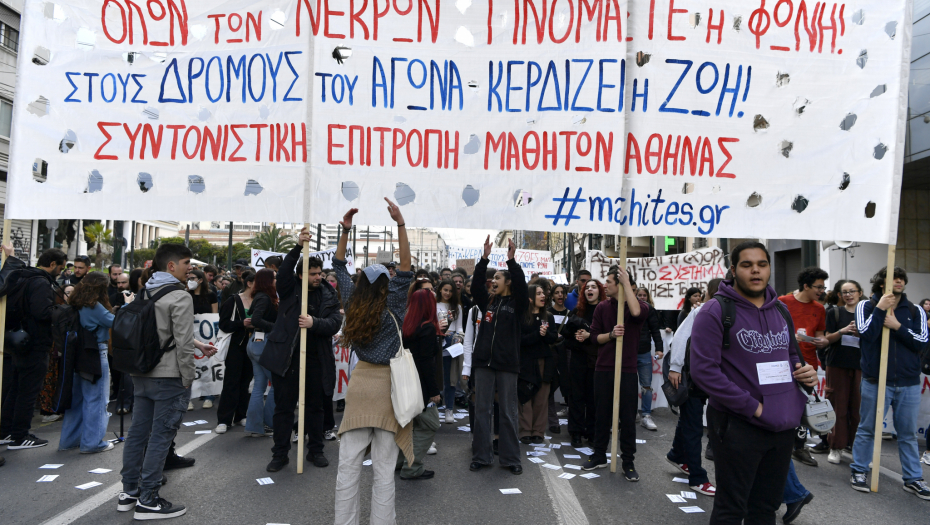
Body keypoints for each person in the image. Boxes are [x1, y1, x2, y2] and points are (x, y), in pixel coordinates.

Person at [690, 241, 818, 523]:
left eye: (762, 264)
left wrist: (804, 372)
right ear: (734, 270)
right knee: (732, 508)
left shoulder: (781, 311)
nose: (755, 271)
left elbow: (791, 356)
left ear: (769, 268)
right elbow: (704, 372)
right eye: (747, 265)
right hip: (738, 425)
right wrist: (754, 408)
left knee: (765, 508)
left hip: (782, 426)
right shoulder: (714, 311)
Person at [118, 243, 217, 520]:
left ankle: (129, 492)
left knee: (138, 434)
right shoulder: (179, 295)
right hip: (169, 375)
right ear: (171, 266)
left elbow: (163, 331)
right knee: (161, 437)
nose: (191, 269)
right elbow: (182, 341)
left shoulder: (147, 289)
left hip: (142, 372)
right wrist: (188, 379)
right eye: (186, 263)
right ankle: (149, 498)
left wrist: (197, 344)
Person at [332, 199, 413, 525]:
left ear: (361, 281)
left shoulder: (352, 301)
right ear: (386, 284)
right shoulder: (393, 300)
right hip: (389, 389)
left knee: (348, 465)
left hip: (361, 385)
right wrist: (400, 224)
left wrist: (345, 230)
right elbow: (406, 267)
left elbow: (339, 266)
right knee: (383, 470)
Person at [850, 266, 930, 499]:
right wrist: (880, 310)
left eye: (901, 278)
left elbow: (922, 342)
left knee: (907, 434)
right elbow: (866, 334)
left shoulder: (915, 310)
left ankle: (913, 478)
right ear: (880, 282)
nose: (898, 281)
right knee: (868, 428)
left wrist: (897, 327)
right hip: (876, 381)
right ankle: (859, 471)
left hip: (909, 383)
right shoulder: (865, 305)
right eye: (892, 277)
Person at [262, 241, 342, 472]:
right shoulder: (289, 288)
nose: (318, 277)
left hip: (317, 359)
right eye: (313, 274)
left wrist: (314, 323)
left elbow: (335, 322)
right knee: (284, 408)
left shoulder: (328, 294)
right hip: (287, 359)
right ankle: (280, 454)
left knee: (316, 408)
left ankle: (316, 450)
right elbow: (285, 269)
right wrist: (298, 246)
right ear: (300, 275)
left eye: (319, 273)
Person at [468, 235, 526, 475]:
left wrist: (511, 261)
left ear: (508, 283)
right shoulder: (487, 302)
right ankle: (482, 456)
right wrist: (484, 259)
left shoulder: (518, 303)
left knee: (508, 411)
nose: (493, 281)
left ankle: (511, 458)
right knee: (482, 410)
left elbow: (522, 285)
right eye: (492, 278)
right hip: (483, 362)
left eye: (498, 278)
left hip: (507, 364)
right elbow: (475, 286)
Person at [0, 246, 66, 451]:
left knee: (16, 389)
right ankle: (20, 435)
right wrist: (64, 311)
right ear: (52, 264)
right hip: (35, 343)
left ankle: (7, 432)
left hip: (20, 341)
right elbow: (42, 312)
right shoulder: (40, 282)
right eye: (61, 268)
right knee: (28, 391)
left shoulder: (24, 277)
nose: (61, 272)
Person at [583, 269, 647, 480]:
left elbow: (637, 314)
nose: (605, 285)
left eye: (609, 282)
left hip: (627, 370)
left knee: (627, 418)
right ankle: (599, 455)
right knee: (602, 414)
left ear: (620, 285)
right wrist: (610, 335)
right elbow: (594, 337)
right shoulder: (602, 307)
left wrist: (627, 283)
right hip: (604, 368)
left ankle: (628, 462)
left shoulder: (639, 306)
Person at [666, 278, 723, 497]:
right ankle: (697, 478)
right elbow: (680, 338)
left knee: (688, 420)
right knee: (693, 425)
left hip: (703, 377)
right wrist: (675, 367)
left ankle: (676, 455)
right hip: (690, 377)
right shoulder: (702, 312)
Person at [59, 272, 117, 454]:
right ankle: (92, 443)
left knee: (76, 401)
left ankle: (69, 441)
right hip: (95, 352)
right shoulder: (95, 306)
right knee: (96, 399)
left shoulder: (74, 303)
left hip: (75, 353)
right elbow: (115, 322)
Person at [779, 267, 830, 468]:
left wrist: (822, 341)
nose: (822, 291)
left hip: (809, 363)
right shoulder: (782, 302)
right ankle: (781, 444)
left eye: (824, 287)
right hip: (784, 363)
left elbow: (820, 335)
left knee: (804, 405)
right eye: (818, 287)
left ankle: (799, 447)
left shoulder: (819, 308)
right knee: (783, 404)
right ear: (806, 285)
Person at [397, 289, 443, 480]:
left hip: (404, 382)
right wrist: (434, 391)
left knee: (409, 425)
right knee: (429, 424)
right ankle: (412, 466)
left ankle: (401, 461)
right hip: (421, 385)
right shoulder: (427, 328)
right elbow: (426, 362)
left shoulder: (407, 325)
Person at [822, 280, 864, 464]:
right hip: (837, 364)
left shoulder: (869, 313)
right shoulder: (834, 312)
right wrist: (843, 331)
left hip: (862, 366)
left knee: (859, 409)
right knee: (837, 407)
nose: (848, 295)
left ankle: (858, 449)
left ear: (860, 293)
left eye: (852, 291)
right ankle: (836, 447)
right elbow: (826, 339)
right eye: (844, 292)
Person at [215, 271, 255, 434]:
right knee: (232, 382)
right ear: (249, 283)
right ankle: (224, 420)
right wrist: (241, 324)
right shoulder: (233, 300)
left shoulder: (262, 300)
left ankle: (240, 415)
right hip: (236, 346)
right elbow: (224, 324)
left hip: (253, 347)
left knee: (246, 383)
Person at [565, 279, 604, 448]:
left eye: (593, 287)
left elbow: (605, 335)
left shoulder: (604, 311)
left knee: (593, 398)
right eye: (587, 288)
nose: (589, 290)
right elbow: (566, 335)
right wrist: (577, 336)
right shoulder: (577, 311)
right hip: (578, 359)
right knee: (576, 397)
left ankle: (592, 432)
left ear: (599, 291)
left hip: (597, 360)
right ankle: (576, 432)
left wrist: (588, 334)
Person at [519, 284, 559, 444]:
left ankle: (538, 432)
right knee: (525, 396)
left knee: (542, 398)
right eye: (539, 293)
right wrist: (537, 334)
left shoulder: (548, 316)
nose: (543, 296)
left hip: (544, 361)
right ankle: (525, 431)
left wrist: (546, 334)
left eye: (544, 293)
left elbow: (554, 337)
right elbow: (520, 340)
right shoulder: (522, 316)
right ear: (530, 297)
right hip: (526, 362)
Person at [241, 269, 276, 438]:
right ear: (267, 281)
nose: (277, 280)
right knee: (276, 384)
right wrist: (276, 327)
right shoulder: (264, 297)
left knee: (259, 386)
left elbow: (253, 319)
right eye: (274, 278)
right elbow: (256, 320)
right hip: (263, 343)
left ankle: (255, 426)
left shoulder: (259, 296)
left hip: (256, 343)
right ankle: (268, 424)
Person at [634, 287, 664, 432]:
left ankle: (646, 415)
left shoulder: (649, 310)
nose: (641, 297)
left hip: (644, 352)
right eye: (638, 295)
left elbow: (655, 330)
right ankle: (632, 413)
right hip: (629, 352)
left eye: (644, 295)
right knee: (629, 385)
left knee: (646, 385)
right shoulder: (626, 308)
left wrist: (659, 348)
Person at [436, 279, 464, 424]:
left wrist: (458, 336)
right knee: (435, 378)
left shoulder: (457, 307)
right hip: (436, 343)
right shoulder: (433, 305)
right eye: (445, 290)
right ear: (440, 289)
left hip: (452, 345)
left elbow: (459, 328)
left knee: (450, 379)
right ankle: (433, 409)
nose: (447, 293)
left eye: (450, 291)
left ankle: (449, 409)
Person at [547, 283, 571, 433]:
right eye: (557, 292)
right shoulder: (547, 313)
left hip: (566, 353)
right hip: (550, 353)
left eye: (562, 293)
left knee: (567, 385)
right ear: (553, 296)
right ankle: (552, 422)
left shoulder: (571, 313)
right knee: (549, 387)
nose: (560, 295)